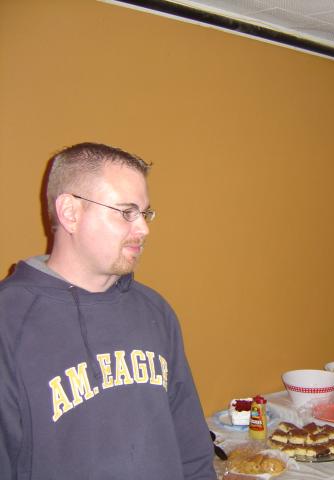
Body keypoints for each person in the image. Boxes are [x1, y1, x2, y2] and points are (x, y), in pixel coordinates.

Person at [0, 143, 216, 479]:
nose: (143, 228)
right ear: (70, 212)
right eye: (126, 212)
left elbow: (192, 449)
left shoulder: (154, 311)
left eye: (144, 213)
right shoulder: (9, 322)